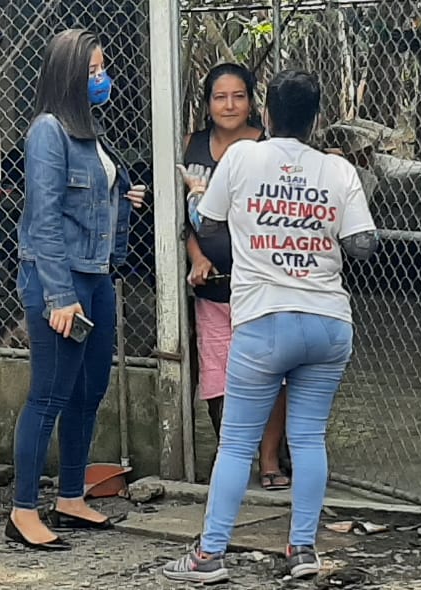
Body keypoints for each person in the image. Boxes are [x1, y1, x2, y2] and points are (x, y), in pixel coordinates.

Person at [163, 69, 378, 583]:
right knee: (308, 439)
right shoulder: (338, 169)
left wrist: (196, 193)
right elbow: (363, 245)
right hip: (328, 323)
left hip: (264, 321)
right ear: (316, 118)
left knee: (237, 444)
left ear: (267, 112)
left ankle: (209, 556)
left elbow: (207, 226)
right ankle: (302, 550)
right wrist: (314, 224)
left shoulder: (242, 157)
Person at [9, 28, 146, 552]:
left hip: (97, 275)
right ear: (68, 75)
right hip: (59, 280)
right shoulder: (48, 131)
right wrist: (59, 296)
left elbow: (84, 203)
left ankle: (70, 497)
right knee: (49, 395)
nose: (102, 78)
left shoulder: (88, 130)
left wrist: (122, 198)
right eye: (92, 71)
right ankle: (23, 511)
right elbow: (44, 219)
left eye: (102, 69)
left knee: (88, 392)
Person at [182, 63, 292, 491]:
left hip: (262, 287)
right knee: (216, 376)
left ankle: (269, 460)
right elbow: (183, 218)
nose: (229, 105)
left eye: (239, 96)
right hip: (211, 290)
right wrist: (197, 257)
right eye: (220, 97)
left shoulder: (269, 147)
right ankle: (233, 453)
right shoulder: (191, 145)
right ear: (207, 103)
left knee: (272, 376)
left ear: (251, 102)